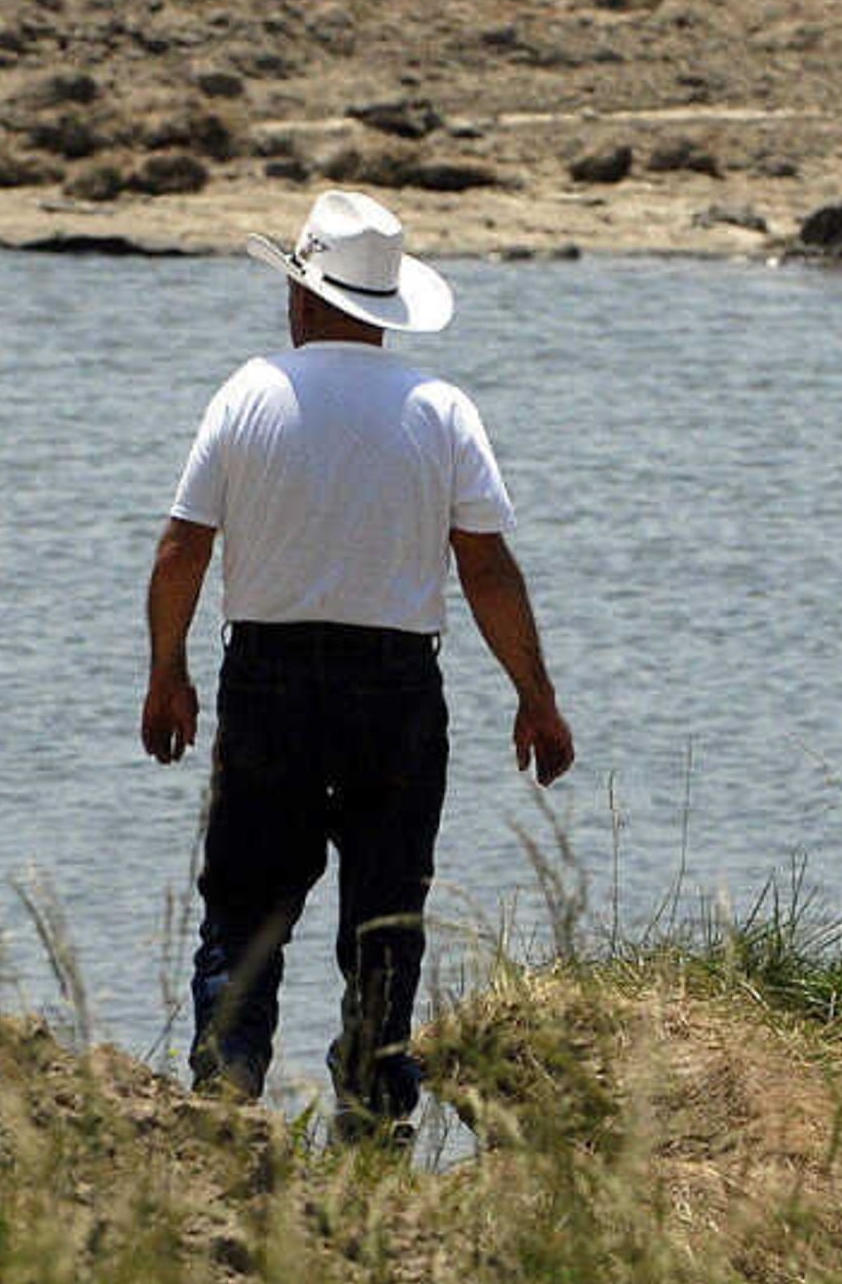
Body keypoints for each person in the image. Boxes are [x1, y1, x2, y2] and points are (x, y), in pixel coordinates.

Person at [139, 188, 575, 1139]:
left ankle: (223, 1109)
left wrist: (166, 671)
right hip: (396, 691)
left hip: (267, 679)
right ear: (384, 307)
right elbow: (488, 568)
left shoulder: (247, 392)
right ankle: (373, 1122)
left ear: (302, 297)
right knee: (384, 923)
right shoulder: (441, 409)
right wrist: (536, 699)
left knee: (245, 913)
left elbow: (182, 549)